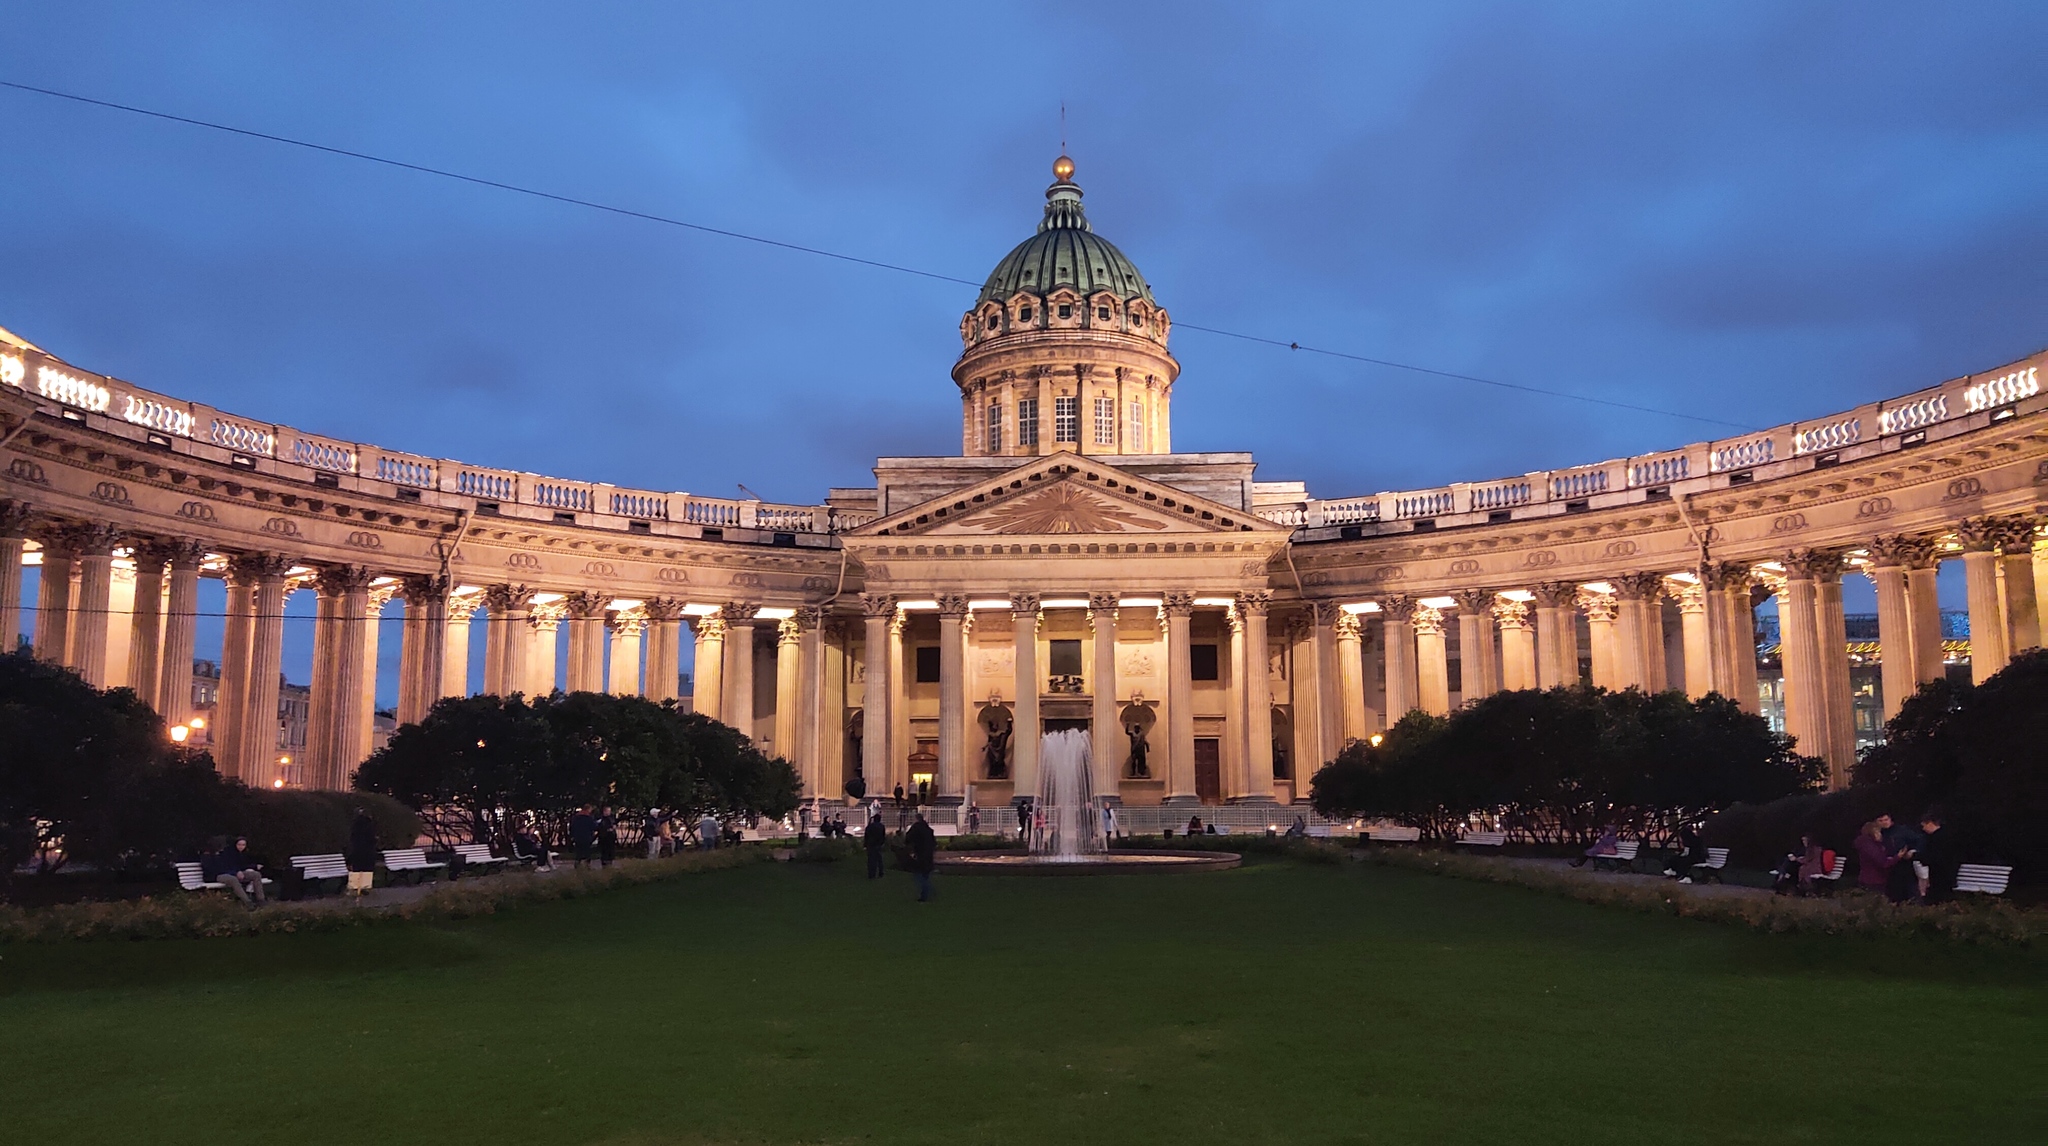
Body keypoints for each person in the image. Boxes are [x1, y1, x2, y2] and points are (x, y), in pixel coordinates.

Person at [204, 837, 266, 908]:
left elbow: (235, 865)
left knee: (256, 875)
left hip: (231, 873)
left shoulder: (226, 853)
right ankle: (247, 902)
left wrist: (239, 871)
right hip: (216, 876)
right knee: (233, 879)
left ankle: (261, 900)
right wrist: (235, 872)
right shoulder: (207, 856)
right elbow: (215, 869)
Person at [1917, 812, 1959, 904]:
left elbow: (1933, 857)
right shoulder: (1946, 835)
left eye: (1924, 826)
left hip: (1941, 875)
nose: (1923, 829)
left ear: (1930, 823)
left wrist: (1916, 856)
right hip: (1945, 875)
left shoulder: (1937, 839)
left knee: (1936, 899)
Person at [1854, 820, 1897, 894]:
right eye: (1878, 832)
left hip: (1872, 879)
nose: (1880, 835)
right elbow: (1882, 862)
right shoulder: (1869, 846)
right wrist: (1897, 857)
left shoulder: (1873, 845)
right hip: (1873, 881)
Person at [346, 807, 380, 896]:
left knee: (357, 869)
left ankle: (355, 888)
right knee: (367, 869)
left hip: (357, 850)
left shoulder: (355, 825)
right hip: (368, 851)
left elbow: (352, 838)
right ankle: (365, 888)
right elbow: (372, 838)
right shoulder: (369, 825)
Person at [905, 812, 938, 902]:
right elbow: (934, 842)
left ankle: (925, 894)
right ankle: (929, 892)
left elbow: (908, 838)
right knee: (925, 874)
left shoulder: (916, 828)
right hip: (928, 854)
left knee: (918, 875)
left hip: (920, 853)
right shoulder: (928, 829)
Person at [863, 811, 888, 879]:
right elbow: (883, 836)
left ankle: (871, 874)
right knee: (879, 859)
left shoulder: (870, 826)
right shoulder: (881, 826)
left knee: (871, 860)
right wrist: (882, 843)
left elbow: (866, 835)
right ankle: (881, 873)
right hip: (878, 844)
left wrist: (865, 844)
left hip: (870, 844)